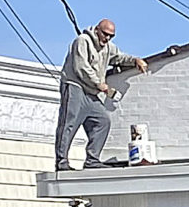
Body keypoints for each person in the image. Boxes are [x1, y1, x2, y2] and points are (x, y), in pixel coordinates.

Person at [55, 16, 147, 172]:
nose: (107, 38)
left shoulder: (108, 47)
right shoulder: (83, 41)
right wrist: (100, 84)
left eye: (111, 36)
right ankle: (62, 160)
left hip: (91, 92)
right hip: (75, 86)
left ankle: (92, 159)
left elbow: (119, 57)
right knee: (69, 123)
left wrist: (135, 60)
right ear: (97, 30)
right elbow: (81, 67)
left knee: (102, 120)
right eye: (105, 34)